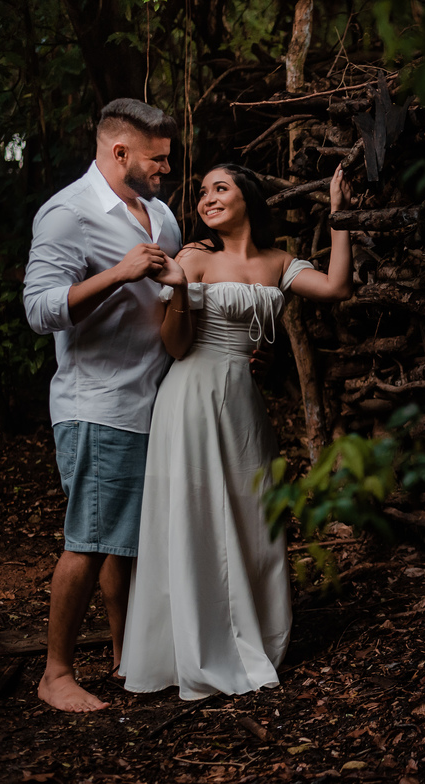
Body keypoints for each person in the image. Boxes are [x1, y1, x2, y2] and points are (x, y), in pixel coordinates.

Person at [119, 162, 354, 700]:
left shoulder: (278, 262)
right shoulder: (194, 257)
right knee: (196, 514)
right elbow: (175, 346)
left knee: (254, 512)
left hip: (243, 403)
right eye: (201, 193)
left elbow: (338, 286)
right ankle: (194, 645)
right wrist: (180, 287)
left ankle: (257, 635)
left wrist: (341, 214)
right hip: (191, 394)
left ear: (248, 197)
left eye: (219, 188)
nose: (207, 199)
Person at [23, 98, 186, 712]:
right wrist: (117, 274)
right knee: (89, 539)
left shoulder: (162, 217)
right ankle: (55, 674)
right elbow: (39, 310)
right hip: (96, 402)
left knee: (127, 540)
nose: (166, 169)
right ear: (120, 152)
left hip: (154, 401)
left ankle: (126, 656)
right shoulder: (68, 213)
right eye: (157, 159)